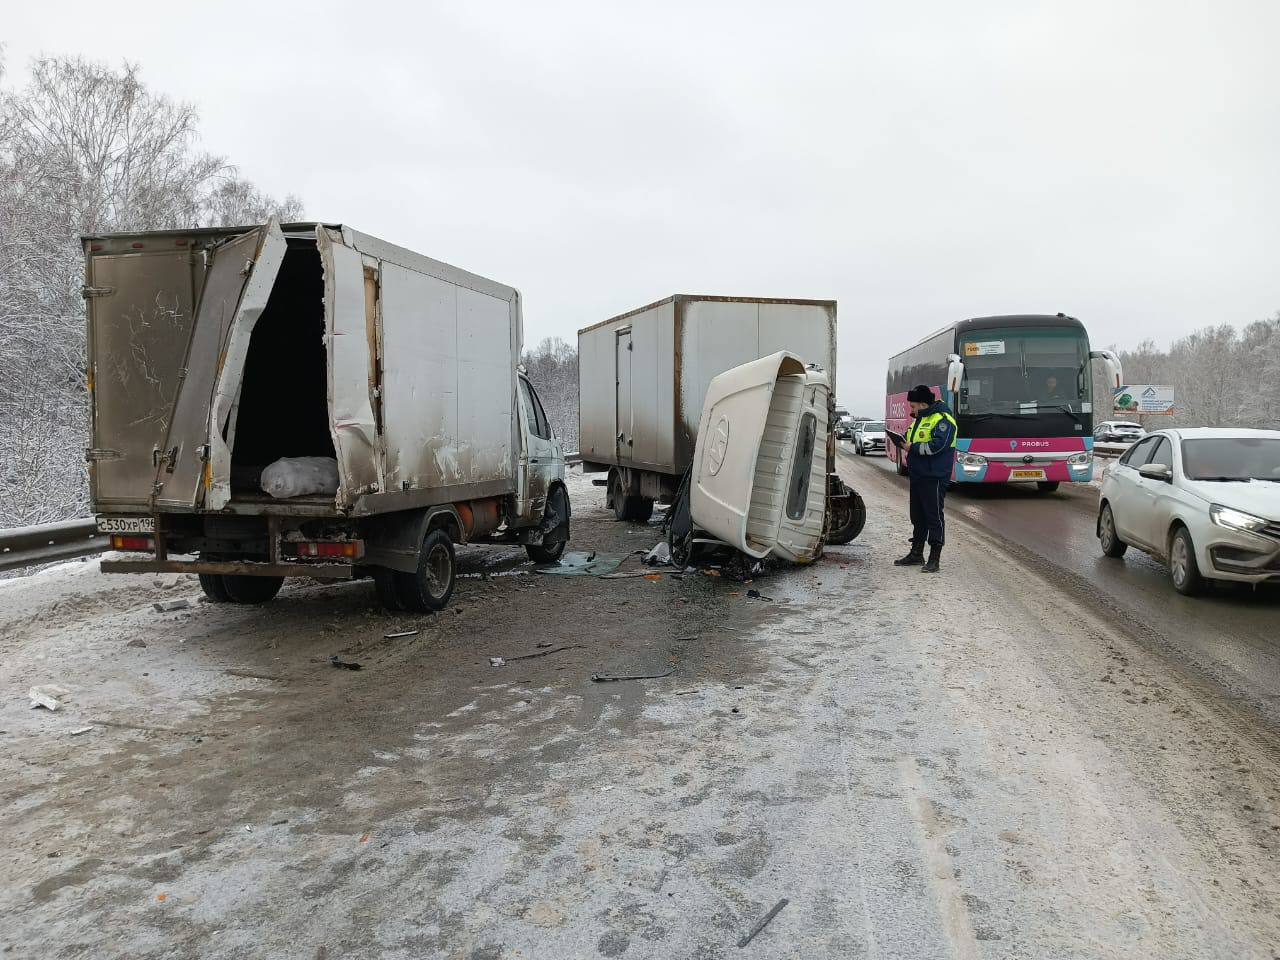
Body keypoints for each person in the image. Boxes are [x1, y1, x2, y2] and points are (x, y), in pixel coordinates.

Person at [893, 384, 957, 573]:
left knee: (934, 517)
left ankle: (934, 558)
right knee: (918, 516)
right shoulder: (920, 419)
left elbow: (937, 446)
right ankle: (916, 553)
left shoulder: (944, 420)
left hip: (934, 476)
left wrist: (910, 447)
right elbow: (910, 438)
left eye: (912, 406)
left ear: (922, 404)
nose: (911, 410)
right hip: (918, 475)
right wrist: (901, 440)